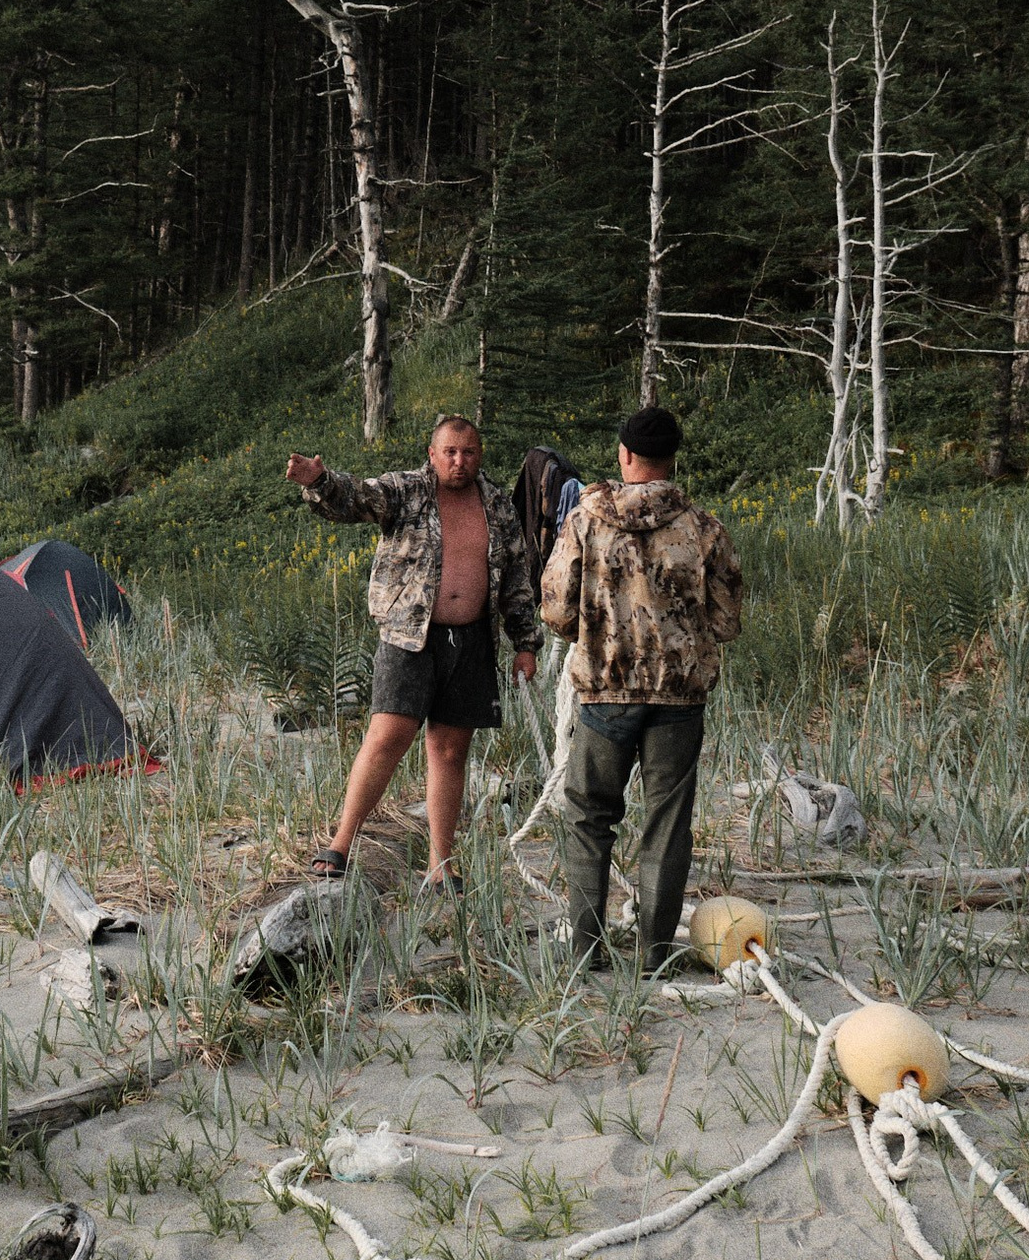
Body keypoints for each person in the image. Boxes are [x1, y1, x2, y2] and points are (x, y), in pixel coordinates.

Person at [286, 415, 543, 892]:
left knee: (449, 749)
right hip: (409, 636)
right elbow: (353, 499)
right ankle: (341, 844)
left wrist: (525, 644)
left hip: (471, 642)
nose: (458, 461)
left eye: (468, 452)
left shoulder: (499, 506)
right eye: (449, 452)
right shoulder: (405, 491)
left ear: (479, 455)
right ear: (432, 454)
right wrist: (319, 481)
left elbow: (516, 580)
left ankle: (441, 864)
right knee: (387, 737)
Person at [540, 407, 742, 969]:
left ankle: (585, 952)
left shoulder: (584, 522)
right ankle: (655, 954)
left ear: (624, 454)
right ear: (673, 458)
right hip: (680, 698)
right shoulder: (705, 529)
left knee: (587, 817)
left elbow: (555, 613)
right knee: (667, 822)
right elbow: (726, 622)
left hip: (606, 693)